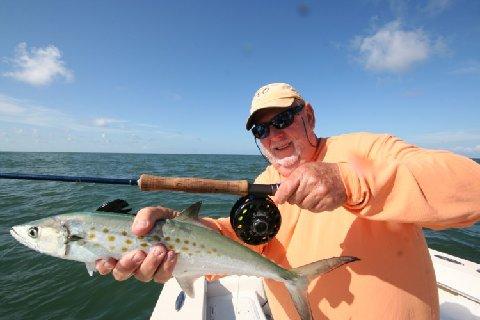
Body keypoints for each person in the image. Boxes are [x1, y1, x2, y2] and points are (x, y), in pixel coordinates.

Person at [96, 83, 480, 319]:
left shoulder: (365, 149)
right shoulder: (264, 183)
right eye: (262, 129)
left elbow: (470, 189)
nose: (274, 136)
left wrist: (350, 181)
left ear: (308, 115)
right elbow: (245, 244)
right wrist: (182, 233)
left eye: (283, 120)